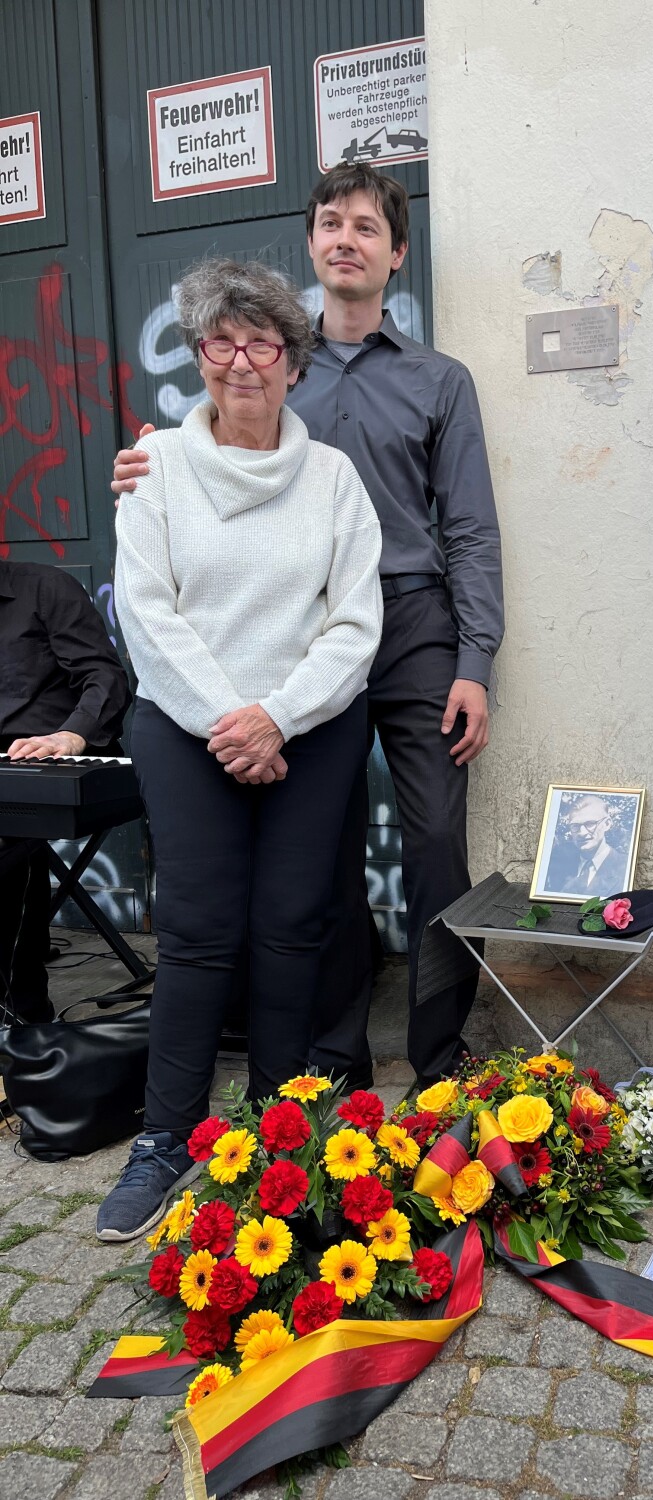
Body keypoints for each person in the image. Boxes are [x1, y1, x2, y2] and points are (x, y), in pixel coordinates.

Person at [113, 164, 503, 1092]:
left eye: (367, 227)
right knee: (316, 857)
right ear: (311, 245)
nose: (346, 240)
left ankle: (439, 1062)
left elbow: (471, 526)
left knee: (435, 846)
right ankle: (333, 1060)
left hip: (406, 621)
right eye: (331, 223)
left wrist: (475, 658)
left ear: (395, 252)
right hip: (291, 637)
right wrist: (140, 465)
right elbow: (196, 466)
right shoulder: (271, 359)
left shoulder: (438, 381)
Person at [97, 258, 383, 1242]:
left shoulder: (335, 480)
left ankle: (275, 1130)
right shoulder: (156, 470)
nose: (242, 362)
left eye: (263, 342)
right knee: (200, 932)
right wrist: (234, 720)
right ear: (199, 356)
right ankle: (167, 1138)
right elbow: (148, 611)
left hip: (310, 726)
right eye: (221, 342)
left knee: (294, 925)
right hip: (187, 728)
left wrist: (280, 718)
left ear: (294, 363)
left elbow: (354, 623)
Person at [0, 562, 130, 1021]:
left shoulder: (45, 588)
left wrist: (71, 735)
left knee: (7, 834)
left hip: (60, 753)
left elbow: (106, 677)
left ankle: (20, 1008)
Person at [547, 795, 631, 897]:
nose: (582, 832)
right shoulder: (558, 865)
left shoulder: (625, 867)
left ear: (607, 824)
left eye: (590, 824)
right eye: (575, 826)